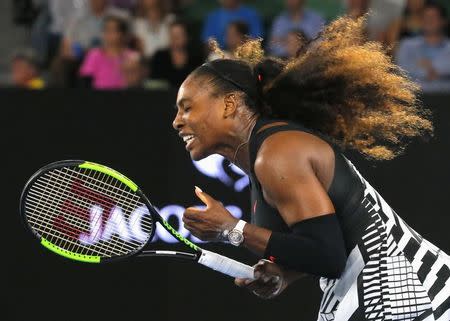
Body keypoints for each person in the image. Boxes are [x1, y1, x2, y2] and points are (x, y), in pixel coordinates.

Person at [173, 16, 450, 321]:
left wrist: (233, 230)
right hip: (374, 293)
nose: (177, 121)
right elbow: (328, 245)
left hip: (409, 294)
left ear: (229, 104)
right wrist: (284, 274)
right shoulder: (263, 155)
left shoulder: (278, 153)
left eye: (187, 107)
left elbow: (327, 256)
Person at [396, 3, 450, 93]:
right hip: (416, 97)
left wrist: (428, 68)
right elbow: (401, 71)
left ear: (443, 21)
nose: (428, 21)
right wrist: (434, 72)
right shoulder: (407, 45)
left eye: (433, 17)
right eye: (425, 17)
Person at [79, 15, 138, 89]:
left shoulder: (132, 57)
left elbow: (136, 83)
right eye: (106, 30)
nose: (108, 34)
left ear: (122, 34)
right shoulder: (94, 55)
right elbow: (85, 80)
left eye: (113, 30)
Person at [151, 20, 203, 88]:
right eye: (172, 35)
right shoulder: (160, 56)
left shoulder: (196, 57)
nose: (175, 39)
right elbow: (155, 84)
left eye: (179, 35)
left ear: (187, 37)